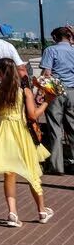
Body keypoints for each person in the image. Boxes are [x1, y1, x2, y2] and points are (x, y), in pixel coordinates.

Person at [0, 57, 53, 227]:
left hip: (4, 132)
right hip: (21, 132)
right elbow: (32, 115)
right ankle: (42, 210)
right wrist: (46, 102)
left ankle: (12, 213)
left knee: (9, 173)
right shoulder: (25, 92)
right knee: (31, 170)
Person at [41, 26, 74, 176]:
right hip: (73, 90)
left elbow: (47, 73)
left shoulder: (51, 50)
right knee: (72, 128)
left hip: (56, 90)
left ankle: (57, 165)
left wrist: (41, 92)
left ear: (55, 37)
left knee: (55, 128)